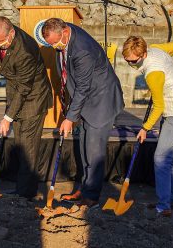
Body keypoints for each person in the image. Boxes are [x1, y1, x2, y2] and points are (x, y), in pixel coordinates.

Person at [42, 18, 124, 208]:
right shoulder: (65, 37)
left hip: (101, 101)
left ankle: (91, 197)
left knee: (94, 152)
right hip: (88, 101)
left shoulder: (82, 50)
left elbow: (83, 88)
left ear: (64, 32)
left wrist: (70, 118)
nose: (54, 47)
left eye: (55, 43)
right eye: (51, 44)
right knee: (84, 148)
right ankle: (85, 188)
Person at [122, 36, 173, 217]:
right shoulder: (156, 48)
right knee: (167, 157)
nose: (131, 64)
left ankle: (164, 206)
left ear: (144, 54)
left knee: (160, 158)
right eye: (127, 60)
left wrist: (145, 128)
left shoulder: (153, 73)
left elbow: (158, 106)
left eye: (133, 61)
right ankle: (172, 200)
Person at [0, 16, 52, 199]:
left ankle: (26, 194)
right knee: (20, 145)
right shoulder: (6, 35)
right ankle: (21, 189)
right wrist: (10, 113)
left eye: (3, 41)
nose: (1, 45)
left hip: (34, 99)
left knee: (28, 148)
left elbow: (24, 87)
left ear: (12, 33)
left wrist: (7, 117)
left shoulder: (25, 51)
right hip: (18, 96)